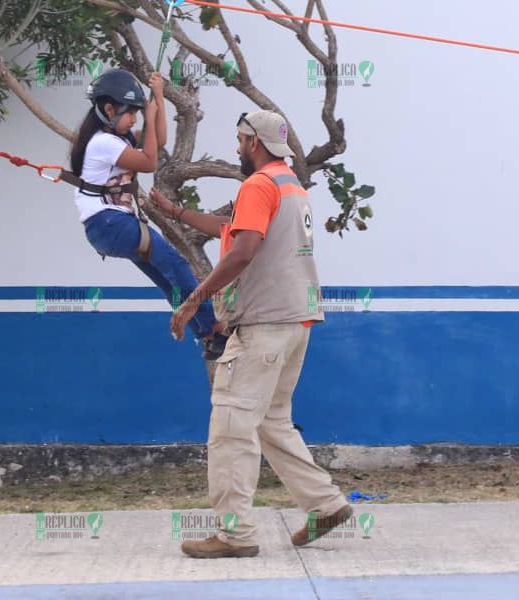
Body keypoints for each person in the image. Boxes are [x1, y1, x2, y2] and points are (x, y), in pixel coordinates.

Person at [151, 110, 352, 558]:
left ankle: (235, 533)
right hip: (296, 322)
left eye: (240, 140)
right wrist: (175, 212)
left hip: (262, 327)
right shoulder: (290, 186)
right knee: (271, 422)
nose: (237, 148)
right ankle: (325, 504)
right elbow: (232, 229)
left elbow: (242, 250)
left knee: (230, 427)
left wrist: (194, 299)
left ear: (253, 143)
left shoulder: (257, 185)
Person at [69, 68, 227, 359]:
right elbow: (149, 162)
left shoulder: (120, 137)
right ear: (108, 109)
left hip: (111, 227)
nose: (134, 120)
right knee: (177, 266)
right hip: (110, 224)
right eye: (131, 113)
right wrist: (150, 117)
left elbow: (161, 140)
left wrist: (157, 99)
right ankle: (214, 327)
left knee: (166, 276)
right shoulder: (103, 143)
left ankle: (206, 336)